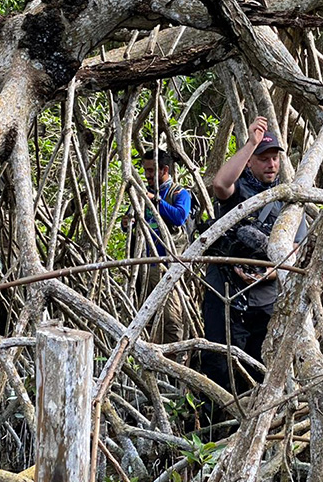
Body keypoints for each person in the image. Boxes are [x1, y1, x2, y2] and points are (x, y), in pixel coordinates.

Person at [200, 116, 307, 394]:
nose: (271, 164)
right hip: (225, 293)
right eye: (263, 159)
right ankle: (214, 425)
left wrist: (271, 272)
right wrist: (251, 144)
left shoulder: (289, 200)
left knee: (261, 367)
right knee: (219, 365)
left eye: (275, 159)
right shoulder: (239, 190)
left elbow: (295, 248)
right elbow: (221, 184)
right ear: (250, 162)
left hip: (266, 299)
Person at [122, 148, 192, 344]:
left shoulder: (179, 192)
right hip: (143, 266)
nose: (147, 175)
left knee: (171, 318)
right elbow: (130, 220)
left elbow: (179, 217)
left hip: (167, 267)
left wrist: (155, 200)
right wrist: (126, 223)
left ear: (165, 170)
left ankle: (174, 359)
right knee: (147, 318)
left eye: (152, 170)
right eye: (145, 170)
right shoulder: (143, 193)